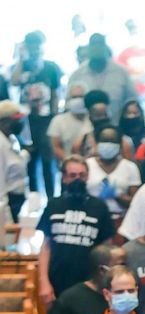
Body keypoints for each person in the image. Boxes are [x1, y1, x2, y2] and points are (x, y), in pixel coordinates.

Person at [37, 155, 115, 306]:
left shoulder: (99, 207)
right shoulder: (53, 205)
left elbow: (107, 250)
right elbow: (46, 247)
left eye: (82, 175)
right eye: (73, 175)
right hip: (56, 282)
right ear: (65, 178)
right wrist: (44, 282)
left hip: (89, 284)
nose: (77, 179)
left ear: (87, 177)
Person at [10, 31, 62, 198]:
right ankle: (34, 199)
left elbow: (55, 92)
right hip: (26, 121)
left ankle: (51, 196)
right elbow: (14, 81)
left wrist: (55, 116)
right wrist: (21, 58)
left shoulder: (50, 67)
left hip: (46, 119)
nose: (34, 49)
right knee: (30, 160)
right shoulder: (22, 66)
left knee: (48, 161)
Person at [68, 33, 137, 122]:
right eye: (94, 45)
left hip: (116, 127)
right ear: (89, 48)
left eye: (100, 44)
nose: (97, 48)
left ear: (105, 48)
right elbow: (69, 105)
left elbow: (132, 100)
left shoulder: (121, 72)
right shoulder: (77, 75)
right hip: (85, 129)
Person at [85, 123, 141, 220]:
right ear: (97, 143)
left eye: (112, 141)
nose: (108, 144)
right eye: (104, 140)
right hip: (90, 217)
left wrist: (117, 195)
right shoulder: (87, 165)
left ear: (119, 144)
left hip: (119, 218)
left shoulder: (130, 167)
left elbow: (136, 202)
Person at [48, 84, 92, 162]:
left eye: (81, 97)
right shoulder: (58, 121)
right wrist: (72, 162)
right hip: (68, 166)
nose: (78, 100)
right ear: (68, 99)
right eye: (74, 97)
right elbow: (56, 148)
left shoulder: (93, 118)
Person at [0, 100, 28, 223]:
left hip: (17, 201)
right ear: (4, 122)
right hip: (7, 204)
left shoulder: (12, 139)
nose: (20, 123)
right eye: (16, 120)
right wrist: (7, 220)